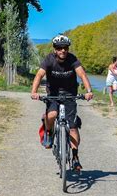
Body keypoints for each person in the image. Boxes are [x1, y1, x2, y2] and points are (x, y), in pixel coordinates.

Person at [31, 35, 94, 172]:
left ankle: (75, 158)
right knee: (52, 114)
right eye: (59, 48)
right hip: (53, 94)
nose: (62, 50)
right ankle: (48, 132)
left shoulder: (72, 59)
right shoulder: (49, 60)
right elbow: (39, 75)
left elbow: (82, 75)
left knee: (72, 127)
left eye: (65, 48)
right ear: (55, 49)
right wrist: (34, 91)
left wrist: (89, 91)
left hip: (70, 95)